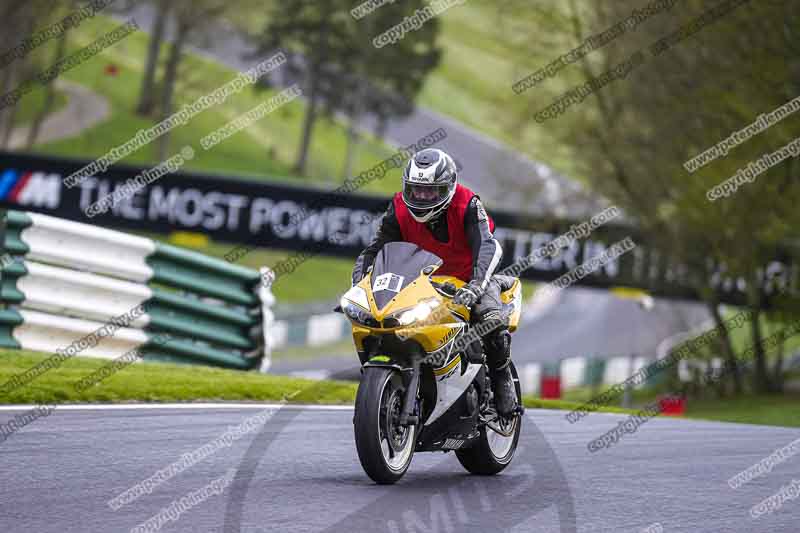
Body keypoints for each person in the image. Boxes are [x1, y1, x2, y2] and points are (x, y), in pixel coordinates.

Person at [351, 148, 517, 416]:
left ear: (448, 188)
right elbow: (377, 249)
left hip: (469, 280)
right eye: (416, 190)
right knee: (377, 320)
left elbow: (489, 246)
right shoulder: (398, 207)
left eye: (430, 192)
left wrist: (475, 285)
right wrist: (360, 281)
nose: (422, 197)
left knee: (491, 319)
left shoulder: (467, 204)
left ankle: (501, 379)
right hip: (421, 284)